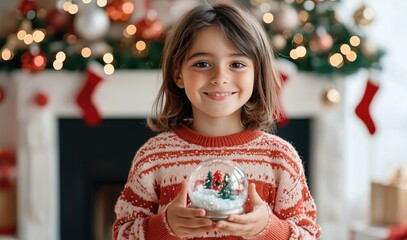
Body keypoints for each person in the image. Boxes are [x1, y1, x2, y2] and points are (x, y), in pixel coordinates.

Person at [113, 2, 321, 239]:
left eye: (237, 64)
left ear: (257, 73)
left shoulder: (280, 159)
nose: (220, 77)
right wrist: (165, 224)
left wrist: (268, 228)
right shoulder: (153, 158)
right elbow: (123, 233)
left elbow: (308, 234)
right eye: (202, 64)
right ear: (178, 74)